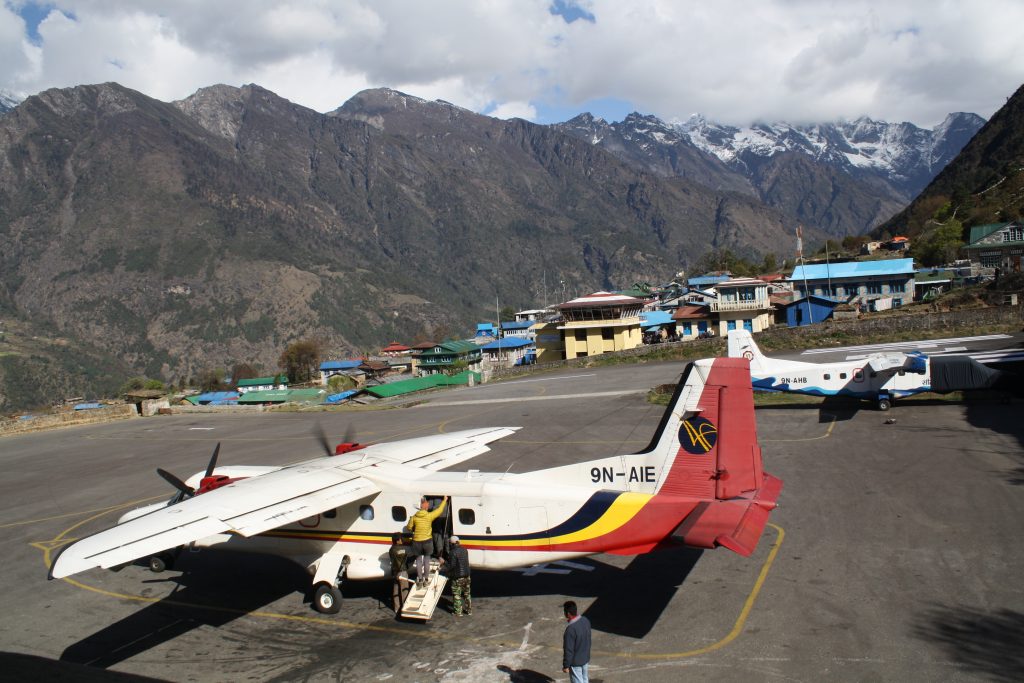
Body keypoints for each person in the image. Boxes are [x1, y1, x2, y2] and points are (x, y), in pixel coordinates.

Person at [405, 495, 448, 587]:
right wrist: (444, 500)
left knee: (419, 561)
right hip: (427, 542)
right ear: (426, 507)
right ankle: (426, 579)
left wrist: (413, 528)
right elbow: (440, 510)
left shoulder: (414, 517)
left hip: (416, 542)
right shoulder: (429, 516)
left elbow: (409, 527)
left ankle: (420, 579)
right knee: (427, 561)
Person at [562, 600, 591, 683]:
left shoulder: (570, 630)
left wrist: (566, 665)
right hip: (585, 658)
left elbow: (568, 650)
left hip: (576, 663)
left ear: (568, 613)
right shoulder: (585, 620)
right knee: (585, 680)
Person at [445, 536, 471, 616]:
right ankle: (469, 610)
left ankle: (458, 612)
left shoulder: (453, 552)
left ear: (451, 543)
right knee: (467, 594)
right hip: (467, 575)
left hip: (458, 577)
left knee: (457, 595)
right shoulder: (465, 550)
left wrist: (444, 563)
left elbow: (451, 566)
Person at [388, 532, 410, 612]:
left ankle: (397, 608)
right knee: (404, 590)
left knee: (396, 591)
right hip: (402, 572)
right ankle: (405, 608)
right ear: (397, 541)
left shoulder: (391, 549)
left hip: (395, 572)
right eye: (401, 539)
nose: (402, 540)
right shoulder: (401, 549)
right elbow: (408, 554)